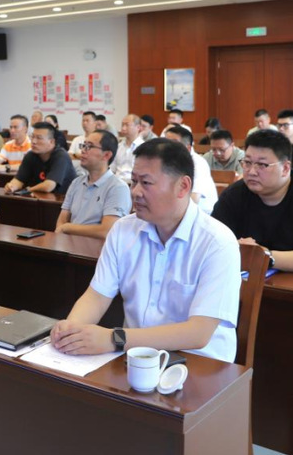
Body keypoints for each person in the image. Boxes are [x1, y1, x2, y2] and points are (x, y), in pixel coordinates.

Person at [50, 139, 240, 362]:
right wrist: (72, 330)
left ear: (183, 186)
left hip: (200, 363)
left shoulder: (217, 242)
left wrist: (113, 339)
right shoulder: (123, 229)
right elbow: (97, 296)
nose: (135, 192)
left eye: (146, 183)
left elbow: (198, 333)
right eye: (133, 181)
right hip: (136, 356)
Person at [212, 129, 293, 273]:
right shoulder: (234, 194)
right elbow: (212, 241)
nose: (252, 171)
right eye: (247, 162)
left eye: (262, 165)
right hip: (255, 278)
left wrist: (264, 256)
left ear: (285, 168)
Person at [55, 130, 130, 239]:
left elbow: (107, 231)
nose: (82, 150)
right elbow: (61, 221)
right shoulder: (76, 183)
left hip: (97, 248)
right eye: (83, 145)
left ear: (106, 155)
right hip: (69, 244)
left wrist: (67, 228)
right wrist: (63, 229)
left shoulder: (118, 188)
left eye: (89, 146)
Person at [4, 122, 77, 194]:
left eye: (39, 138)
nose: (33, 141)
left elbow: (48, 186)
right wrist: (11, 186)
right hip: (38, 198)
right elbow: (19, 180)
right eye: (32, 137)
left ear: (51, 141)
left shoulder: (61, 156)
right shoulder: (30, 155)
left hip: (62, 199)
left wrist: (28, 190)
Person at [163, 126, 217, 213]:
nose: (167, 147)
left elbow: (194, 199)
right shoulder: (166, 162)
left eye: (173, 143)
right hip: (177, 210)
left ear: (187, 148)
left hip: (202, 213)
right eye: (165, 142)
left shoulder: (198, 164)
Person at [110, 114, 143, 184]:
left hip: (134, 183)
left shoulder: (143, 147)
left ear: (138, 127)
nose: (123, 128)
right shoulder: (118, 146)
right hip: (116, 183)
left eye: (127, 125)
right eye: (122, 125)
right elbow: (112, 169)